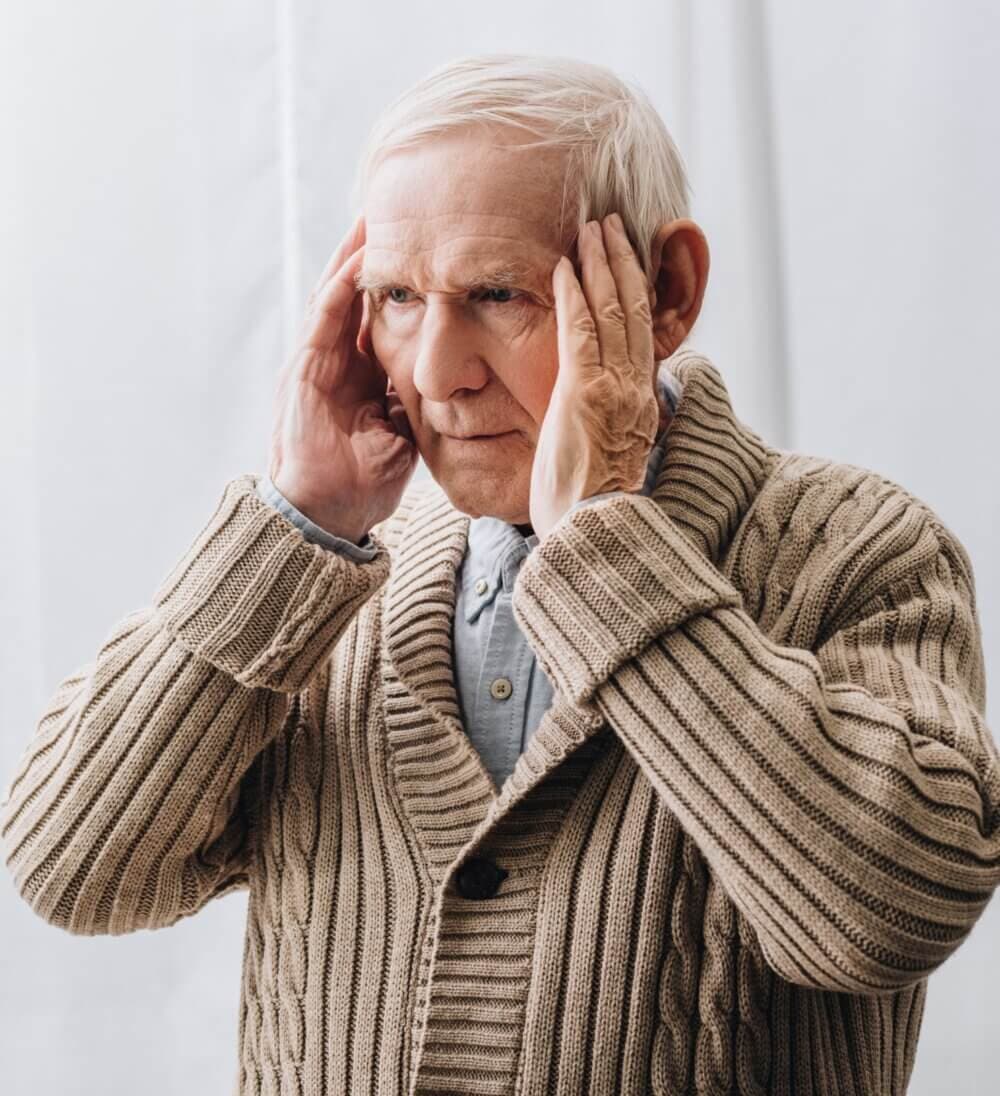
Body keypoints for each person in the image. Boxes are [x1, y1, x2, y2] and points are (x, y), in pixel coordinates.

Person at [2, 53, 996, 1096]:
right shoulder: (319, 592)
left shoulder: (858, 549)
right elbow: (74, 869)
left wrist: (603, 547)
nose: (435, 371)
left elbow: (882, 914)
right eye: (393, 296)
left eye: (494, 293)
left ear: (665, 293)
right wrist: (294, 523)